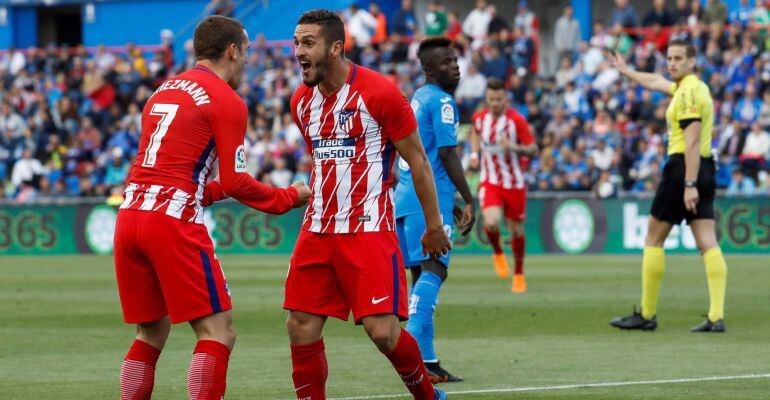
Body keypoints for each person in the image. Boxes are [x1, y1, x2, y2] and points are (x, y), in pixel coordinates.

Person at [113, 16, 311, 400]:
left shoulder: (163, 91)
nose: (248, 60)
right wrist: (288, 197)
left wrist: (212, 192)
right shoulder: (226, 100)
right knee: (218, 331)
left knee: (150, 333)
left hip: (130, 214)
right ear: (232, 51)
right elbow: (237, 182)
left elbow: (178, 177)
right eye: (248, 51)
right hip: (172, 223)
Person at [287, 10, 450, 400]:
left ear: (336, 47)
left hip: (368, 227)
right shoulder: (300, 102)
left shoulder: (379, 92)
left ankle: (430, 396)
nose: (298, 52)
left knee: (384, 333)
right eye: (296, 43)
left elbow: (419, 161)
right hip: (318, 228)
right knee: (300, 326)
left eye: (308, 43)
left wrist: (434, 226)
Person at [609, 40, 727, 333]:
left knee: (653, 239)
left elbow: (691, 139)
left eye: (678, 58)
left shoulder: (686, 94)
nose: (671, 63)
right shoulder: (695, 88)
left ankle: (647, 315)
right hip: (706, 168)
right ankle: (716, 316)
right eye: (669, 58)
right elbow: (655, 80)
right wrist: (627, 71)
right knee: (707, 243)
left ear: (692, 62)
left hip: (682, 169)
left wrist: (688, 183)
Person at [395, 37, 475, 384]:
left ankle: (427, 361)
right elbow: (446, 153)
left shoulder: (417, 98)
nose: (454, 66)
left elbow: (423, 154)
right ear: (428, 68)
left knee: (420, 279)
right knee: (435, 272)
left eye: (455, 60)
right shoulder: (442, 101)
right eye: (446, 62)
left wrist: (452, 201)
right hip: (427, 202)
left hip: (407, 198)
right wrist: (469, 197)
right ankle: (409, 353)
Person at [470, 79, 537, 293]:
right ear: (487, 99)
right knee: (491, 222)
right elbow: (475, 132)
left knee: (516, 229)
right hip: (490, 180)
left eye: (499, 99)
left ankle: (518, 273)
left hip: (514, 182)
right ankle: (498, 252)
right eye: (491, 99)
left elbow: (533, 149)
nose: (495, 103)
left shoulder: (517, 121)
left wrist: (513, 147)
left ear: (506, 99)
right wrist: (473, 154)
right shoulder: (480, 117)